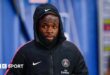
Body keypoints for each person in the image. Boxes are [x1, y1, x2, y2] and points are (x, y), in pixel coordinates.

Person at [5, 3, 88, 75]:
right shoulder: (24, 52)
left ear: (59, 27)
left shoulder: (72, 51)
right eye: (44, 26)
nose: (50, 31)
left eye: (54, 26)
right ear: (37, 27)